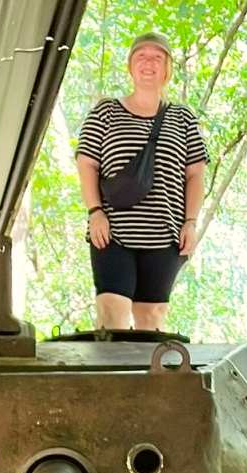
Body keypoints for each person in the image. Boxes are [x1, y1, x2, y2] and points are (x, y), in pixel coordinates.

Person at [75, 33, 208, 331]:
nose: (148, 63)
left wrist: (191, 222)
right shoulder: (105, 111)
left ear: (167, 69)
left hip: (164, 232)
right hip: (112, 232)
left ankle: (151, 377)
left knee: (152, 318)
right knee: (112, 314)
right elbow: (87, 164)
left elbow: (195, 173)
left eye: (157, 58)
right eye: (141, 57)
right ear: (130, 66)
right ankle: (109, 377)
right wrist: (95, 212)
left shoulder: (183, 117)